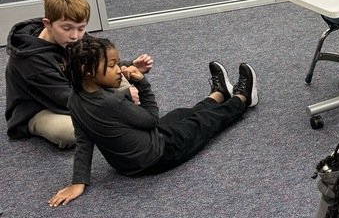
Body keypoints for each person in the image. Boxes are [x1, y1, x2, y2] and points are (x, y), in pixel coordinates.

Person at [48, 37, 257, 206]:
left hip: (129, 162)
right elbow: (150, 120)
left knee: (180, 114)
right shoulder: (112, 102)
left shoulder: (74, 99)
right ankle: (243, 98)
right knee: (205, 121)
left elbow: (84, 140)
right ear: (88, 72)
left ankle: (218, 94)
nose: (120, 70)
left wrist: (78, 182)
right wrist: (142, 84)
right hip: (159, 154)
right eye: (113, 66)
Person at [5, 0, 153, 148]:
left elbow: (100, 63)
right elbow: (65, 99)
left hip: (74, 89)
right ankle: (115, 114)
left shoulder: (73, 37)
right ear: (48, 24)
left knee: (119, 79)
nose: (75, 36)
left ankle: (112, 113)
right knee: (71, 131)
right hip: (40, 108)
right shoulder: (30, 59)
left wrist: (128, 66)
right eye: (67, 28)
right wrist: (120, 97)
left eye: (81, 28)